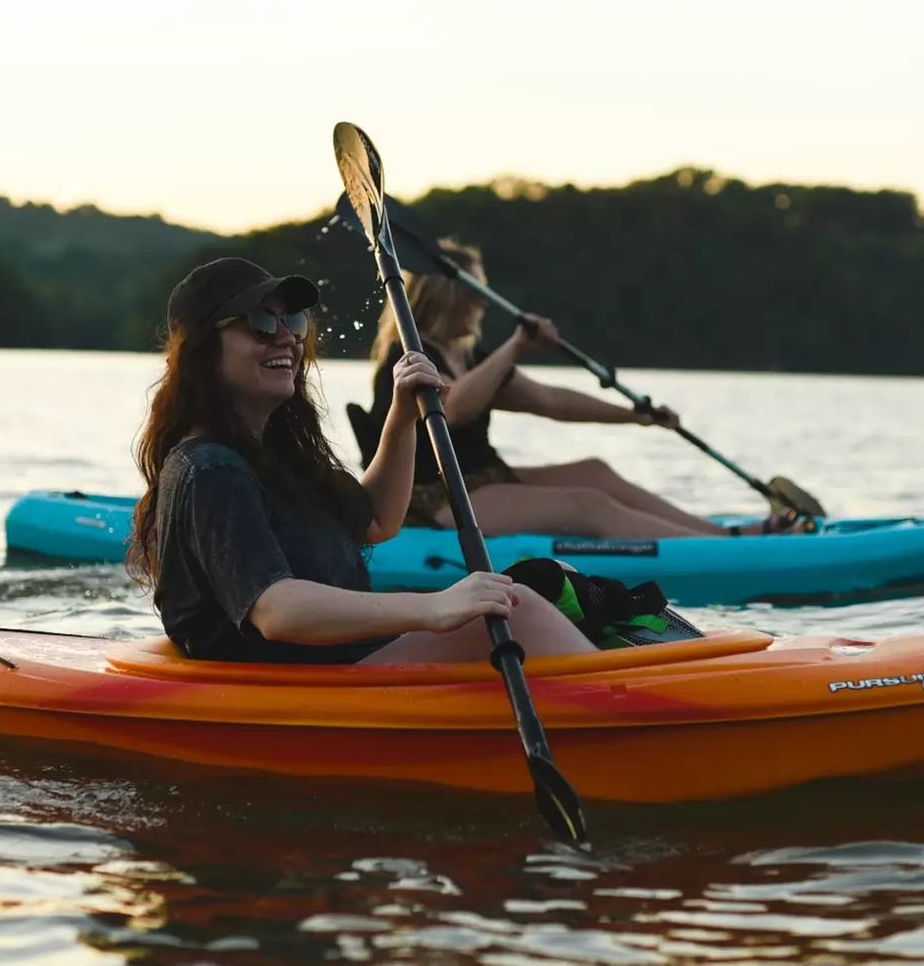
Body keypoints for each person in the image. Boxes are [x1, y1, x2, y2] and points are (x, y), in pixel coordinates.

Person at [126, 257, 597, 665]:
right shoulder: (211, 468)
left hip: (339, 657)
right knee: (523, 610)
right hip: (290, 678)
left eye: (292, 322)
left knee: (554, 581)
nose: (286, 339)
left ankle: (647, 671)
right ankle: (639, 711)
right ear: (202, 352)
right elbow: (276, 610)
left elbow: (376, 521)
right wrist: (434, 608)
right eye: (260, 324)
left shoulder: (275, 454)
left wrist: (401, 419)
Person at [367, 240, 805, 539]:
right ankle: (722, 551)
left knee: (595, 471)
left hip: (484, 480)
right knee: (588, 504)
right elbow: (455, 408)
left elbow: (550, 400)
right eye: (476, 290)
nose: (485, 301)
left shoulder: (471, 355)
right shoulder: (407, 359)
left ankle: (725, 536)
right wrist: (517, 344)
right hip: (434, 500)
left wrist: (637, 416)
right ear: (448, 295)